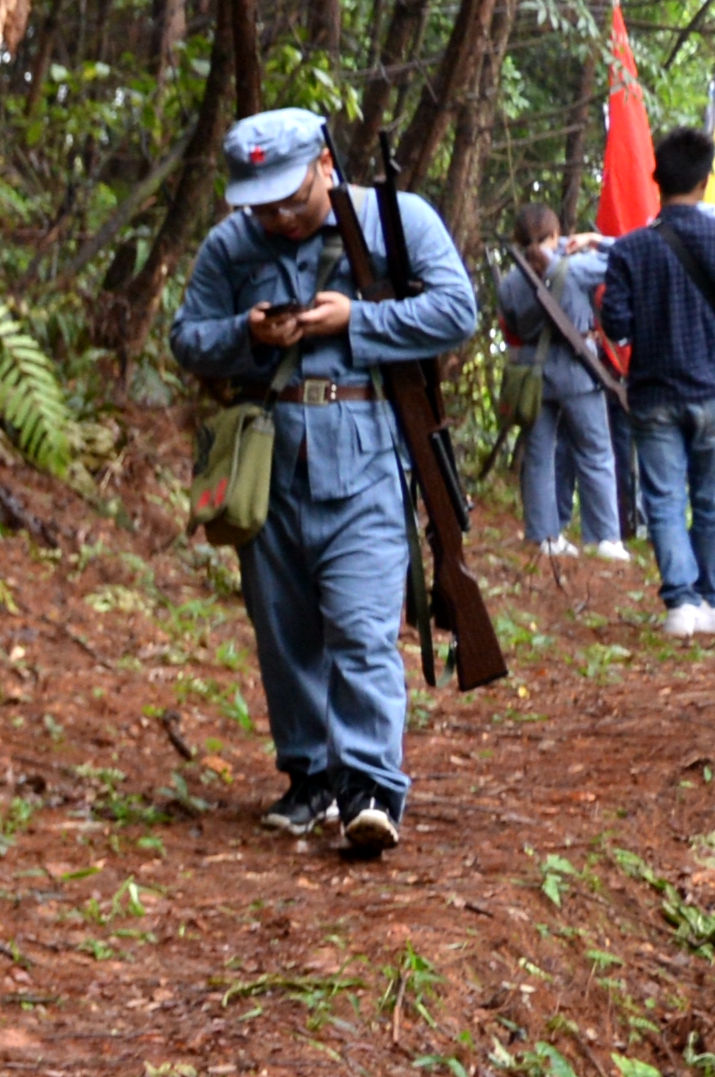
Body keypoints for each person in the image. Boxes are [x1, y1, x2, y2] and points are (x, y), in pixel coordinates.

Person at [167, 111, 480, 859]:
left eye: (289, 197)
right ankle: (309, 775)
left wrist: (358, 319)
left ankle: (370, 786)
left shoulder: (397, 221)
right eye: (260, 202)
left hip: (368, 453)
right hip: (267, 462)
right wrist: (246, 334)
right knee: (284, 629)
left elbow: (456, 311)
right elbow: (187, 338)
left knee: (363, 626)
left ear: (326, 168)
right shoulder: (230, 245)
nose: (275, 215)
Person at [595, 122, 715, 637]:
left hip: (654, 392)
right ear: (704, 180)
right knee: (712, 501)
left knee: (664, 500)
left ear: (656, 178)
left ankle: (679, 603)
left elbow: (618, 325)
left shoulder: (630, 249)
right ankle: (709, 600)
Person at [498, 205, 626, 560]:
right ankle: (603, 538)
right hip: (576, 371)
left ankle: (543, 536)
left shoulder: (510, 281)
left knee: (538, 455)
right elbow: (627, 255)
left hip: (532, 376)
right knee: (595, 452)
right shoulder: (577, 268)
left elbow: (508, 324)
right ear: (555, 237)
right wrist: (593, 239)